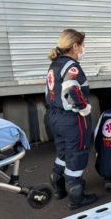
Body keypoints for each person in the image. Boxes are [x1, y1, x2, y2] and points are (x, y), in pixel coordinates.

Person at [45, 29, 97, 210]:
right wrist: (83, 108)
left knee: (63, 154)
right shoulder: (71, 66)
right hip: (71, 119)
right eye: (82, 45)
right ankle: (76, 197)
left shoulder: (55, 64)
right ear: (75, 46)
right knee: (77, 155)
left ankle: (59, 187)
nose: (84, 49)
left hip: (55, 116)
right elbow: (71, 91)